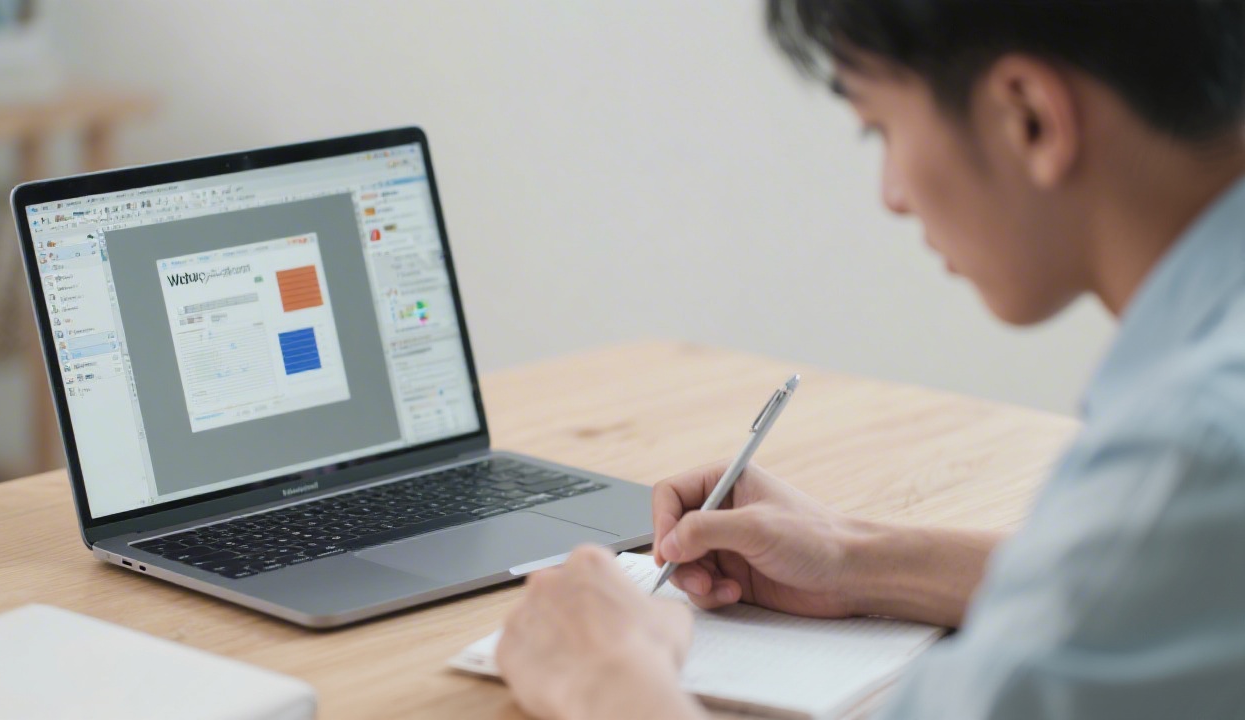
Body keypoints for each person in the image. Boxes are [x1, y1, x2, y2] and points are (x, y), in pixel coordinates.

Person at [495, 1, 1245, 718]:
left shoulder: (1191, 452)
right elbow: (1166, 586)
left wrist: (609, 682)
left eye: (879, 128)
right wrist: (854, 557)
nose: (890, 195)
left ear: (1030, 118)